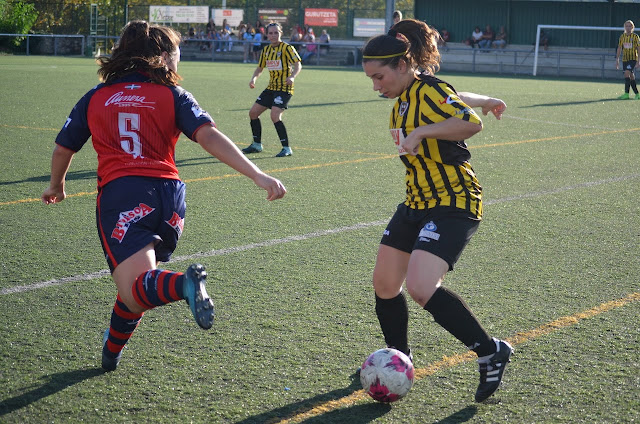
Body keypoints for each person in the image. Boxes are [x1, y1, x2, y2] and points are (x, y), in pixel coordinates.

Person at [41, 20, 287, 372]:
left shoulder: (96, 97)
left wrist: (56, 185)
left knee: (135, 288)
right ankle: (110, 354)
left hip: (124, 195)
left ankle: (184, 285)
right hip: (171, 199)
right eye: (176, 52)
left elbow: (64, 147)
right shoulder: (173, 95)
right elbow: (208, 136)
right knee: (139, 287)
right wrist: (258, 174)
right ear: (161, 57)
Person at [361, 18, 513, 403]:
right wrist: (487, 98)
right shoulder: (410, 95)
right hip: (415, 202)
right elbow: (458, 97)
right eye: (371, 79)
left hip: (454, 202)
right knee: (384, 283)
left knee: (420, 287)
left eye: (379, 77)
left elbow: (468, 121)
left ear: (401, 65)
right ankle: (400, 358)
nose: (376, 86)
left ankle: (490, 350)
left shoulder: (426, 89)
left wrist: (421, 133)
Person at [242, 22, 302, 158]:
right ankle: (257, 144)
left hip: (284, 88)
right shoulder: (266, 50)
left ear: (281, 33)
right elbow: (260, 68)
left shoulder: (287, 48)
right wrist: (254, 79)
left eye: (276, 32)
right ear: (267, 34)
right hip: (271, 88)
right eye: (270, 33)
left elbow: (298, 65)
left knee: (274, 115)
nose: (273, 35)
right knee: (253, 113)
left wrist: (292, 77)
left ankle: (286, 148)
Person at [615, 20, 640, 100]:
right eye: (626, 26)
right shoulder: (622, 37)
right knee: (631, 76)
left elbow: (639, 48)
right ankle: (637, 94)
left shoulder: (635, 37)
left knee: (626, 74)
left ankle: (626, 94)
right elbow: (619, 48)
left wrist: (639, 60)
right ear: (624, 27)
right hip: (625, 59)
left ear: (632, 27)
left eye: (630, 26)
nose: (628, 28)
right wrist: (617, 59)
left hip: (633, 59)